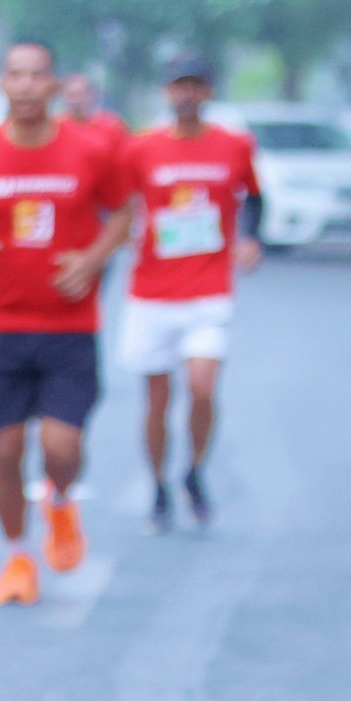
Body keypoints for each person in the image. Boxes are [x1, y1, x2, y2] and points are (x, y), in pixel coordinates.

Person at [0, 40, 134, 606]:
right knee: (5, 451)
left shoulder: (90, 150)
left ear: (54, 84)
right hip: (3, 324)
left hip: (71, 326)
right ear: (3, 83)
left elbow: (124, 211)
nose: (25, 86)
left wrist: (93, 259)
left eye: (37, 75)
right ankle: (17, 556)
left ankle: (60, 502)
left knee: (62, 447)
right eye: (15, 75)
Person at [115, 57, 259, 531]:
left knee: (201, 387)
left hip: (208, 288)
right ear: (166, 92)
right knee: (156, 400)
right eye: (179, 86)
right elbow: (118, 204)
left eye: (196, 86)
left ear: (209, 92)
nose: (187, 95)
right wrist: (117, 236)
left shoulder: (234, 146)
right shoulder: (142, 148)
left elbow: (254, 196)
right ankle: (158, 484)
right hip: (152, 292)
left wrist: (250, 239)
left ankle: (194, 470)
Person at [57, 72, 132, 155]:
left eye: (81, 94)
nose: (77, 100)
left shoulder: (112, 126)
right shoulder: (56, 128)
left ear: (91, 95)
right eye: (72, 95)